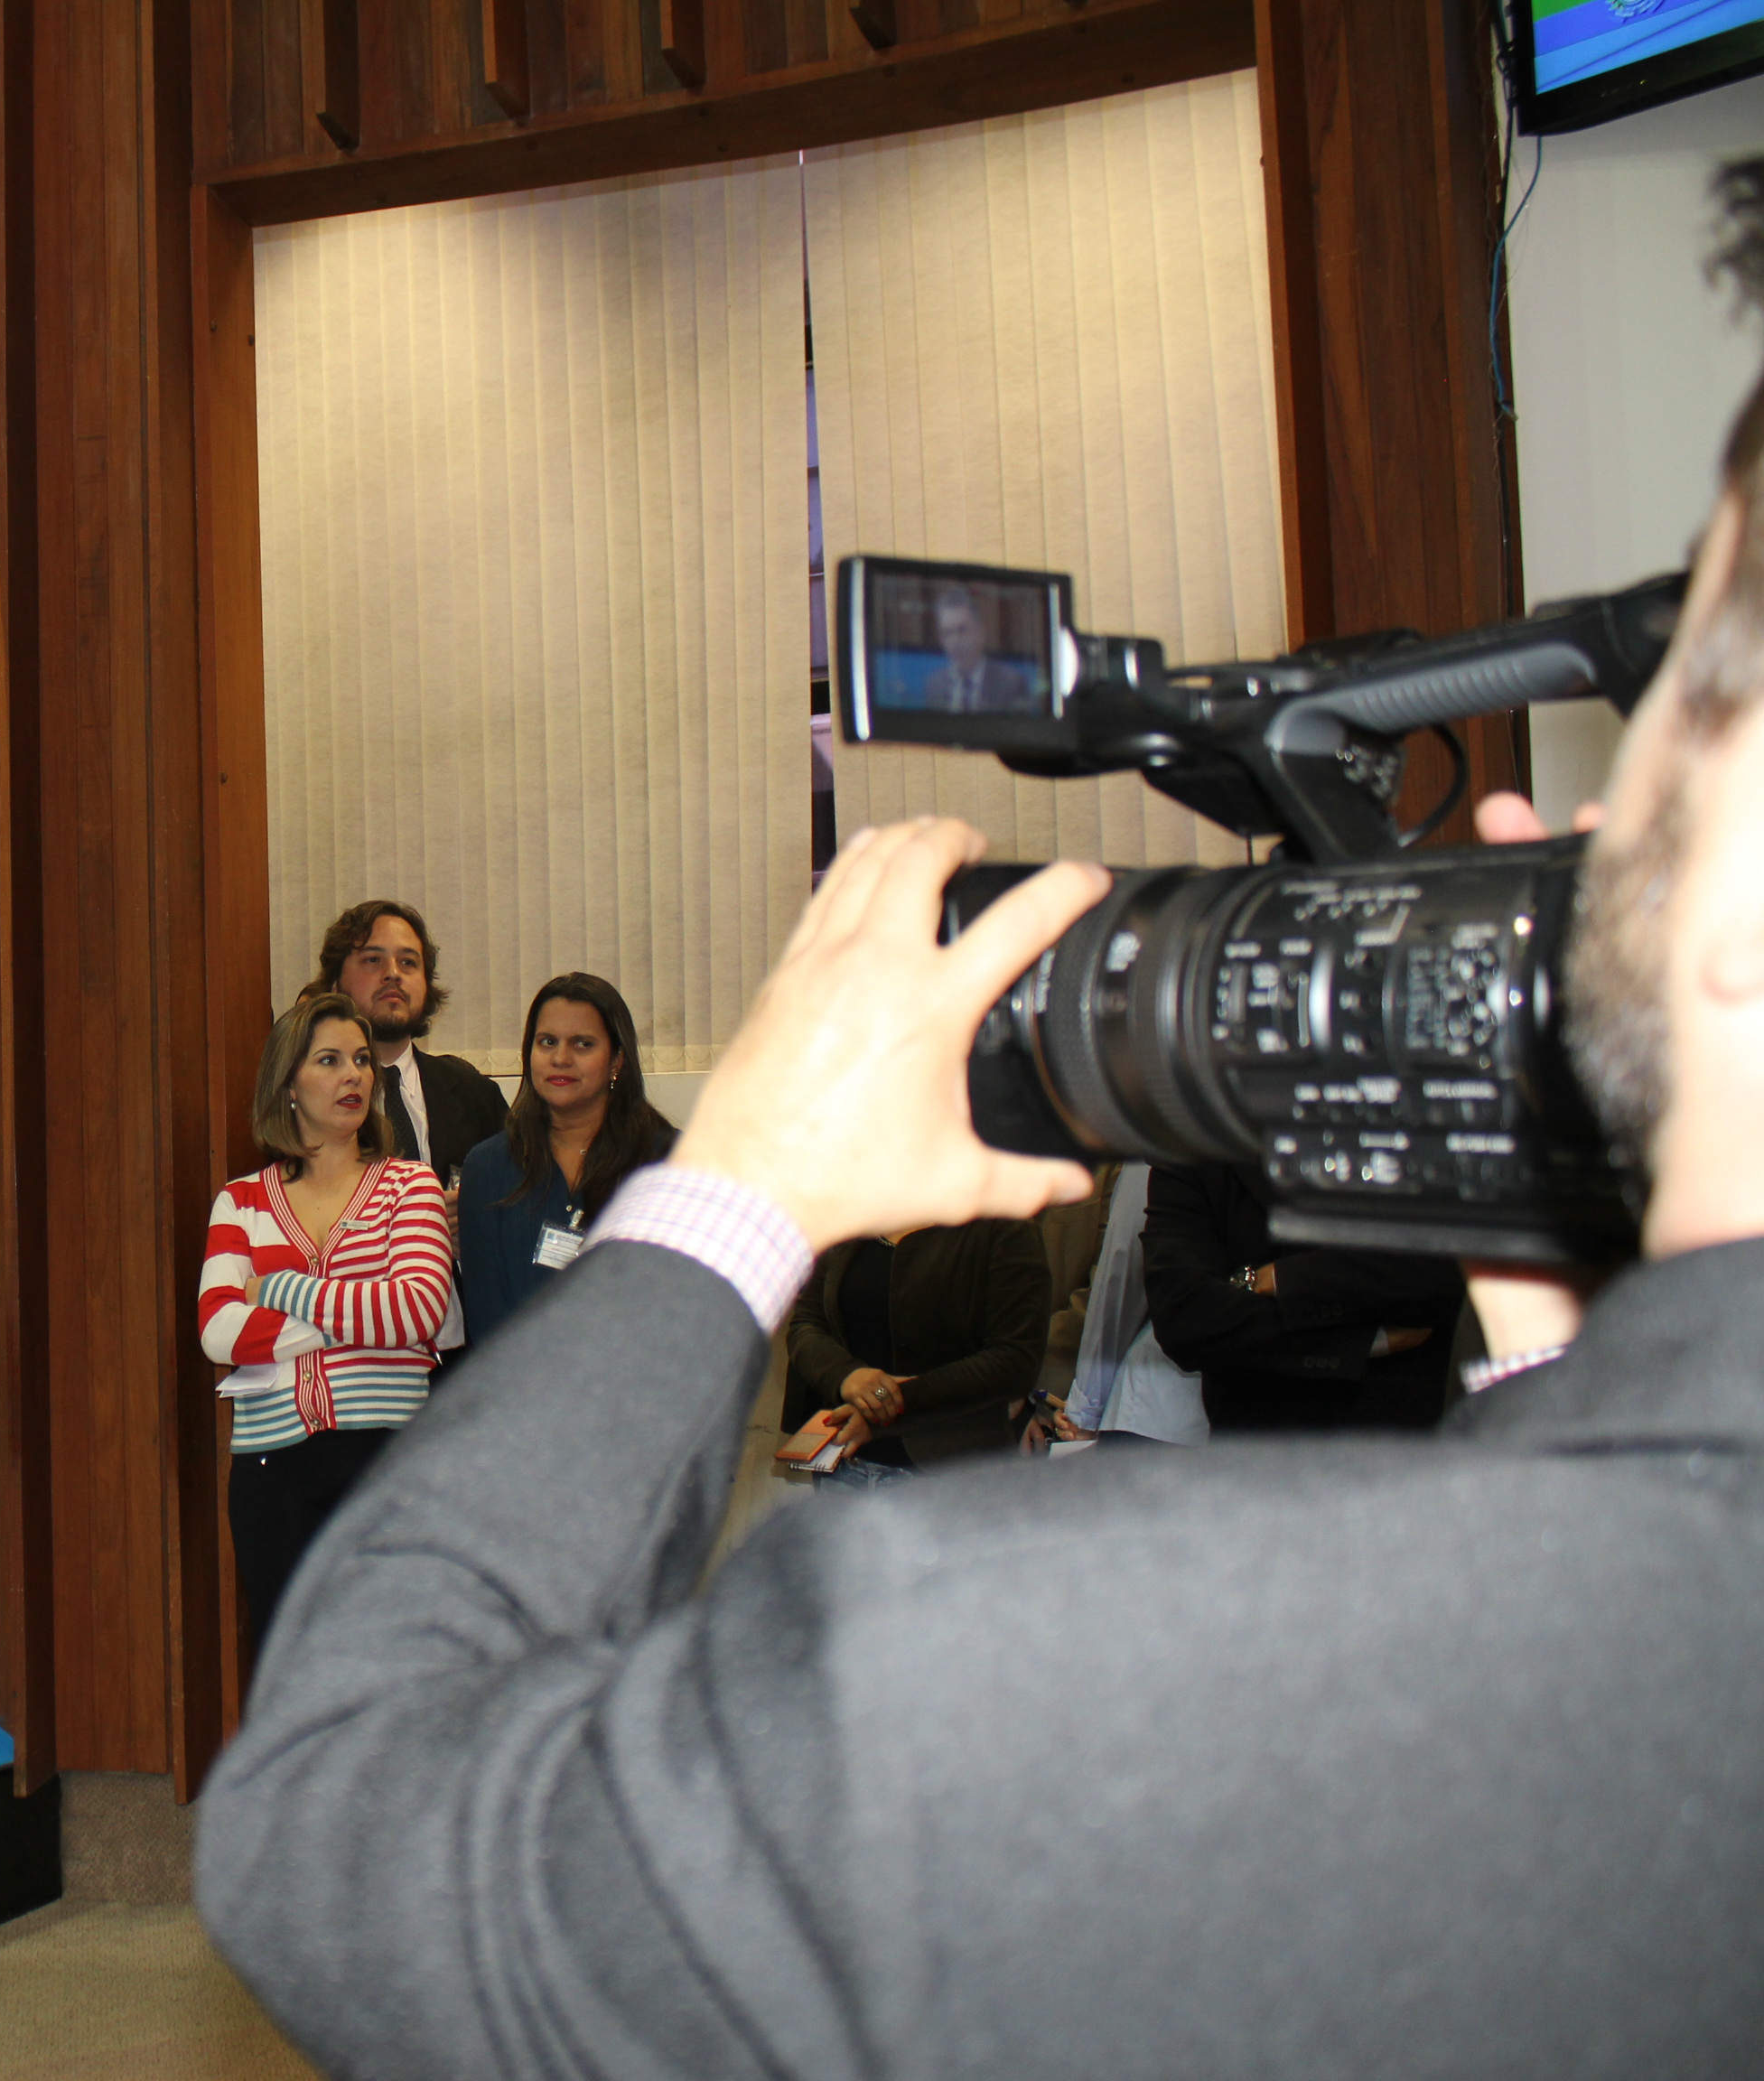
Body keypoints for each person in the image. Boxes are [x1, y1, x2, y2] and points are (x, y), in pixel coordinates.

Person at [194, 166, 1764, 2078]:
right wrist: (1549, 1363)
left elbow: (337, 1837)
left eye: (1663, 702)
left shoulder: (1017, 1676)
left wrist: (730, 1198)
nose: (1550, 835)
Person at [200, 992, 454, 1670]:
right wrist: (357, 1323)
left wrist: (279, 1290)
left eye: (363, 1061)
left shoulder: (411, 1186)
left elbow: (419, 1310)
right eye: (330, 1060)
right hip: (270, 1469)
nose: (355, 1076)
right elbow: (219, 1331)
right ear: (289, 1084)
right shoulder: (241, 1200)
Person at [1141, 1158, 1463, 1432]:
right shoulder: (1194, 1147)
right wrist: (1362, 1341)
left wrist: (1279, 1279)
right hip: (1256, 1451)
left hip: (1411, 1442)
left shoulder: (1408, 1122)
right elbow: (1184, 1320)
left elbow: (1442, 1272)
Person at [453, 974, 677, 1342]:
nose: (560, 1058)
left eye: (583, 1044)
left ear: (617, 1060)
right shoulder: (488, 1169)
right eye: (547, 1042)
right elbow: (487, 1322)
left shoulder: (670, 1164)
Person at [780, 1210, 1050, 1479]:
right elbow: (806, 1323)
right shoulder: (854, 1207)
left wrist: (888, 1406)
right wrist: (846, 1375)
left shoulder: (1003, 1223)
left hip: (952, 1473)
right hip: (842, 1467)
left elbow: (1015, 1361)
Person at [310, 898, 509, 1190]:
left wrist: (471, 1212)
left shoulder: (477, 1097)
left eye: (408, 962)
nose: (393, 973)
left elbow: (515, 1197)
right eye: (373, 960)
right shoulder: (309, 1096)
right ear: (335, 984)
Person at [925, 580, 1032, 714]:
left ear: (980, 633)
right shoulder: (934, 685)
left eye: (962, 631)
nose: (955, 641)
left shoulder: (1011, 684)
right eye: (947, 633)